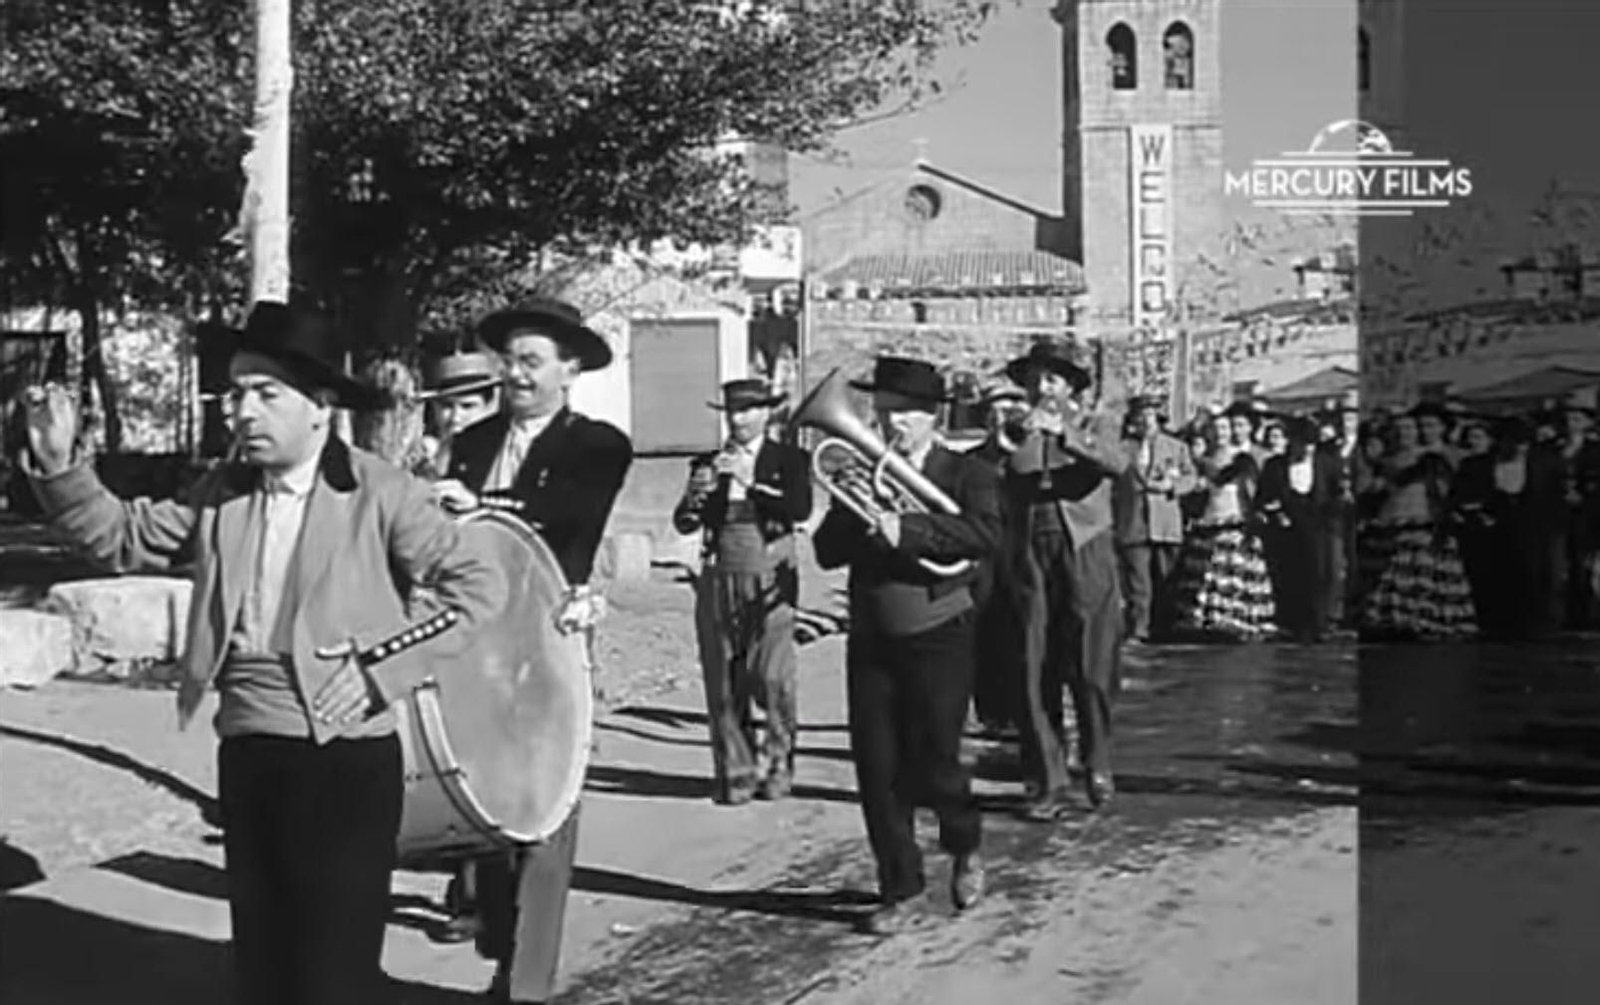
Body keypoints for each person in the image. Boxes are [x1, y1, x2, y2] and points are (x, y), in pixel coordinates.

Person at [18, 301, 509, 1005]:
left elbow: (477, 588)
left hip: (345, 758)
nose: (242, 409)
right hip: (249, 749)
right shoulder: (222, 493)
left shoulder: (380, 491)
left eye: (265, 392)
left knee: (332, 970)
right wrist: (62, 465)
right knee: (266, 965)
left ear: (320, 407)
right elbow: (122, 537)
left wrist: (383, 667)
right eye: (236, 392)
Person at [432, 298, 633, 1004]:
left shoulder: (600, 444)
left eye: (531, 361)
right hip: (479, 640)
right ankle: (501, 943)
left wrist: (482, 508)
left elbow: (566, 522)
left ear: (569, 369)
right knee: (486, 796)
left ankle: (528, 981)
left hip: (552, 637)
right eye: (508, 361)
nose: (514, 374)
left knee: (547, 806)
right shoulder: (473, 441)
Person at [811, 356, 999, 936]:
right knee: (878, 768)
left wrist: (910, 530)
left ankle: (965, 844)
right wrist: (858, 511)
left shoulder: (967, 473)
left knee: (936, 764)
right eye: (884, 413)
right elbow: (825, 552)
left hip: (939, 632)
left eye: (904, 415)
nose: (890, 426)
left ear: (931, 416)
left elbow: (985, 537)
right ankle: (901, 887)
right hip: (872, 635)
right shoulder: (861, 471)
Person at [1000, 338, 1127, 821]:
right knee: (1034, 666)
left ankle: (1097, 760)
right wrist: (1008, 441)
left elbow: (1116, 463)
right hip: (1032, 550)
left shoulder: (1097, 423)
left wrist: (1065, 432)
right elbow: (997, 478)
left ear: (1070, 386)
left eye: (1050, 378)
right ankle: (1047, 778)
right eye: (1033, 379)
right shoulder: (1016, 428)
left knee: (1092, 663)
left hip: (1085, 547)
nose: (1040, 388)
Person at [672, 378, 811, 804]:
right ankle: (736, 771)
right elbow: (684, 523)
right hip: (719, 573)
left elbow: (798, 510)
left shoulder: (790, 458)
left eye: (749, 410)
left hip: (769, 570)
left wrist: (752, 482)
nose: (739, 419)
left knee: (771, 676)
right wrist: (695, 500)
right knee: (723, 679)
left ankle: (778, 760)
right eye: (733, 411)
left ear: (767, 413)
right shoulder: (708, 462)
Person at [967, 381, 1028, 738]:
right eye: (996, 411)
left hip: (1023, 553)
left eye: (1009, 410)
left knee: (1022, 634)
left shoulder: (1029, 454)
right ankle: (991, 712)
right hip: (986, 560)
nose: (1001, 417)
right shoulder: (973, 460)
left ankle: (1021, 709)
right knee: (985, 635)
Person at [1112, 394, 1196, 644]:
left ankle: (1166, 627)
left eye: (1151, 415)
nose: (1147, 421)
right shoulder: (1122, 448)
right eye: (1142, 415)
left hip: (1165, 520)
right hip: (1133, 520)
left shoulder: (1176, 446)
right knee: (1139, 581)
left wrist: (1173, 486)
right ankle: (1139, 629)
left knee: (1166, 577)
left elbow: (1191, 478)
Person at [1254, 416, 1343, 642]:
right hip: (1286, 529)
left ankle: (1319, 625)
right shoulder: (1274, 466)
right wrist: (1275, 513)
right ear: (1292, 442)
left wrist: (1331, 515)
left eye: (1311, 445)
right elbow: (1262, 499)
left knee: (1319, 576)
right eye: (1302, 444)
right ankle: (1293, 624)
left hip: (1318, 527)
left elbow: (1338, 495)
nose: (1307, 450)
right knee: (1291, 577)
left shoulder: (1327, 463)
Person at [418, 350, 501, 477]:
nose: (455, 418)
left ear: (489, 407)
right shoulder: (420, 457)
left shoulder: (505, 457)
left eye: (467, 406)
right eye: (447, 406)